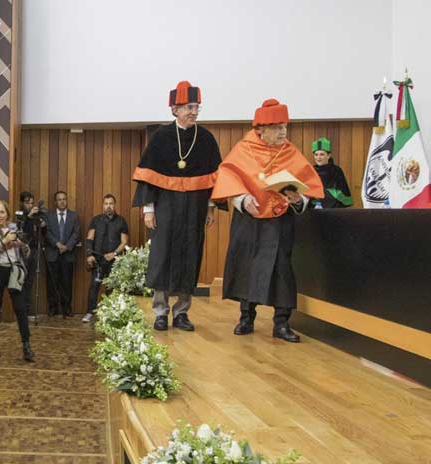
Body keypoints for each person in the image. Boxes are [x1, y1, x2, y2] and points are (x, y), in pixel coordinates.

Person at [211, 99, 324, 343]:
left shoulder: (291, 153)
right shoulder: (243, 149)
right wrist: (242, 199)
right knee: (246, 265)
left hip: (280, 221)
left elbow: (308, 191)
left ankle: (281, 323)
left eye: (285, 126)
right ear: (261, 129)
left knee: (282, 270)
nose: (283, 132)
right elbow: (228, 176)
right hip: (249, 220)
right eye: (277, 127)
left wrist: (297, 199)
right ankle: (246, 317)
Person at [132, 80, 221, 332]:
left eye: (196, 107)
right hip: (166, 208)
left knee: (189, 256)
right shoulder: (161, 137)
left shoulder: (205, 139)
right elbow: (148, 175)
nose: (194, 112)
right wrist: (148, 209)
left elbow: (215, 177)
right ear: (175, 109)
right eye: (189, 107)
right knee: (162, 257)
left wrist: (211, 208)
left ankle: (182, 312)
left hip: (195, 208)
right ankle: (160, 312)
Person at [0, 201, 35, 362]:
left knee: (20, 308)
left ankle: (26, 345)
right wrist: (4, 243)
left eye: (2, 212)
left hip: (13, 271)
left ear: (7, 214)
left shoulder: (14, 228)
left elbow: (27, 252)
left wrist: (21, 245)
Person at [82, 194, 129, 322]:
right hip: (97, 260)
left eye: (111, 203)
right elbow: (89, 238)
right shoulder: (95, 220)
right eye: (106, 203)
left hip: (114, 260)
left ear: (115, 205)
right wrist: (89, 255)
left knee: (111, 288)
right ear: (103, 205)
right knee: (94, 287)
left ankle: (109, 315)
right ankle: (90, 313)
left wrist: (114, 253)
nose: (108, 206)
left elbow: (124, 242)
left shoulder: (121, 221)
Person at [43, 190, 80, 317]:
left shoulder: (74, 216)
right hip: (53, 253)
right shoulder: (48, 215)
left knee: (67, 283)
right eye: (59, 199)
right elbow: (46, 232)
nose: (62, 201)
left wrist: (67, 246)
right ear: (55, 202)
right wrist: (57, 244)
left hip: (68, 254)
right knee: (52, 283)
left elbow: (76, 233)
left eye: (64, 199)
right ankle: (53, 308)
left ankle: (66, 309)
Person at [17, 191, 46, 317]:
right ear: (22, 203)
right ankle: (20, 309)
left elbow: (40, 230)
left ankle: (27, 309)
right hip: (22, 250)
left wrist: (42, 224)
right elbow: (21, 230)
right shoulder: (19, 214)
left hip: (34, 248)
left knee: (30, 280)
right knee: (21, 280)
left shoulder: (35, 215)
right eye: (27, 203)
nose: (30, 205)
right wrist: (29, 216)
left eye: (31, 203)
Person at [310, 138, 353, 208]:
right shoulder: (310, 170)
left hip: (332, 210)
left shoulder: (336, 171)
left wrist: (323, 196)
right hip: (313, 209)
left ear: (328, 155)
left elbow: (343, 194)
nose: (318, 157)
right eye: (316, 154)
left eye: (322, 154)